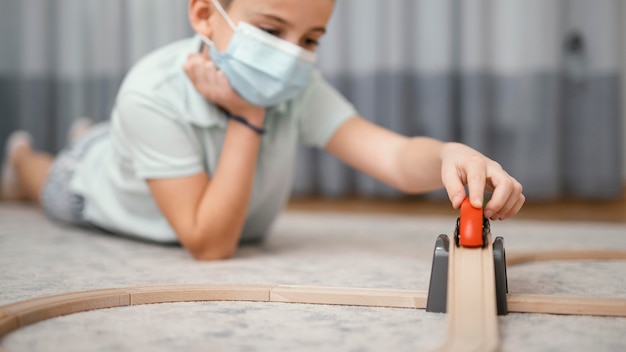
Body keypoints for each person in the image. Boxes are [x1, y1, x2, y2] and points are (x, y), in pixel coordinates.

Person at [1, 0, 524, 261]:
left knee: (111, 142)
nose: (293, 55)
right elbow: (210, 242)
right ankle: (31, 155)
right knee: (48, 176)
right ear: (206, 16)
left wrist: (445, 156)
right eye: (272, 31)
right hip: (85, 189)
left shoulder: (296, 86)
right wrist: (248, 116)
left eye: (312, 39)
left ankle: (101, 137)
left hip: (148, 145)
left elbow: (392, 156)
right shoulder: (149, 94)